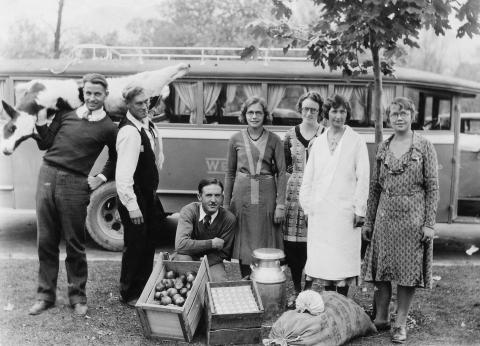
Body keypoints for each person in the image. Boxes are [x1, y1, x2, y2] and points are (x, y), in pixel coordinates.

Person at [29, 73, 117, 316]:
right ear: (83, 93)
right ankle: (44, 295)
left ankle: (77, 297)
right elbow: (44, 143)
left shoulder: (109, 127)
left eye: (97, 94)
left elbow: (115, 158)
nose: (92, 98)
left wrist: (98, 178)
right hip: (47, 175)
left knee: (75, 243)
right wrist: (39, 120)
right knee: (46, 240)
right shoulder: (66, 114)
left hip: (76, 183)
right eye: (88, 93)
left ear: (105, 95)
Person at [361, 97, 439, 343]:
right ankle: (382, 318)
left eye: (404, 113)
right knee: (382, 270)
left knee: (408, 271)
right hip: (385, 216)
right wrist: (369, 222)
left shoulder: (424, 146)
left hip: (413, 218)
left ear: (412, 115)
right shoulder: (383, 147)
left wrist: (428, 223)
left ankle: (400, 322)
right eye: (394, 114)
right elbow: (374, 188)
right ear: (388, 118)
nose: (399, 118)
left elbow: (433, 187)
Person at [299, 93, 370, 297]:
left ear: (347, 113)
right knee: (323, 259)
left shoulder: (356, 141)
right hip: (320, 210)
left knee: (342, 258)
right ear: (326, 113)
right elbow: (309, 178)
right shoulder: (318, 142)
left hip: (344, 211)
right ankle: (326, 301)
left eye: (342, 111)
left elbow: (363, 177)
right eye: (334, 111)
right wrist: (307, 206)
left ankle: (340, 301)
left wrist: (360, 210)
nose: (338, 116)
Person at [224, 96, 286, 278]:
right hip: (242, 196)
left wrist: (280, 205)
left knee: (265, 239)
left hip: (266, 196)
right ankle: (246, 279)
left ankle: (263, 279)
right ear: (244, 115)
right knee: (244, 242)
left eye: (258, 112)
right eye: (250, 112)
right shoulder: (235, 139)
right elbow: (229, 172)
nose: (254, 116)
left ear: (265, 115)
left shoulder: (274, 139)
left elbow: (282, 173)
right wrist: (226, 205)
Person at [116, 85, 165, 307]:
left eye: (146, 102)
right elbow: (123, 176)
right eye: (139, 103)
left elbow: (156, 156)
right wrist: (132, 207)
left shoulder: (145, 125)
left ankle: (143, 286)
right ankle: (129, 293)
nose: (145, 106)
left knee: (148, 242)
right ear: (128, 105)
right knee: (135, 244)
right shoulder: (129, 132)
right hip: (134, 196)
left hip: (147, 194)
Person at [283, 91, 325, 307]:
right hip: (294, 194)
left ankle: (308, 291)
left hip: (318, 192)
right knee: (293, 247)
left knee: (312, 244)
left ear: (320, 112)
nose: (309, 113)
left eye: (314, 110)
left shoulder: (326, 134)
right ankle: (297, 289)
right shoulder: (290, 135)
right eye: (306, 108)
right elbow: (287, 167)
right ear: (300, 109)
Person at [174, 178, 236, 282]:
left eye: (217, 195)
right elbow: (180, 245)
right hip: (187, 255)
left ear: (222, 197)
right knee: (187, 280)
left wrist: (203, 264)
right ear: (199, 197)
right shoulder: (189, 211)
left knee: (219, 282)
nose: (213, 200)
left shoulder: (229, 219)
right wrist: (211, 243)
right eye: (208, 195)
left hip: (212, 261)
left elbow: (224, 253)